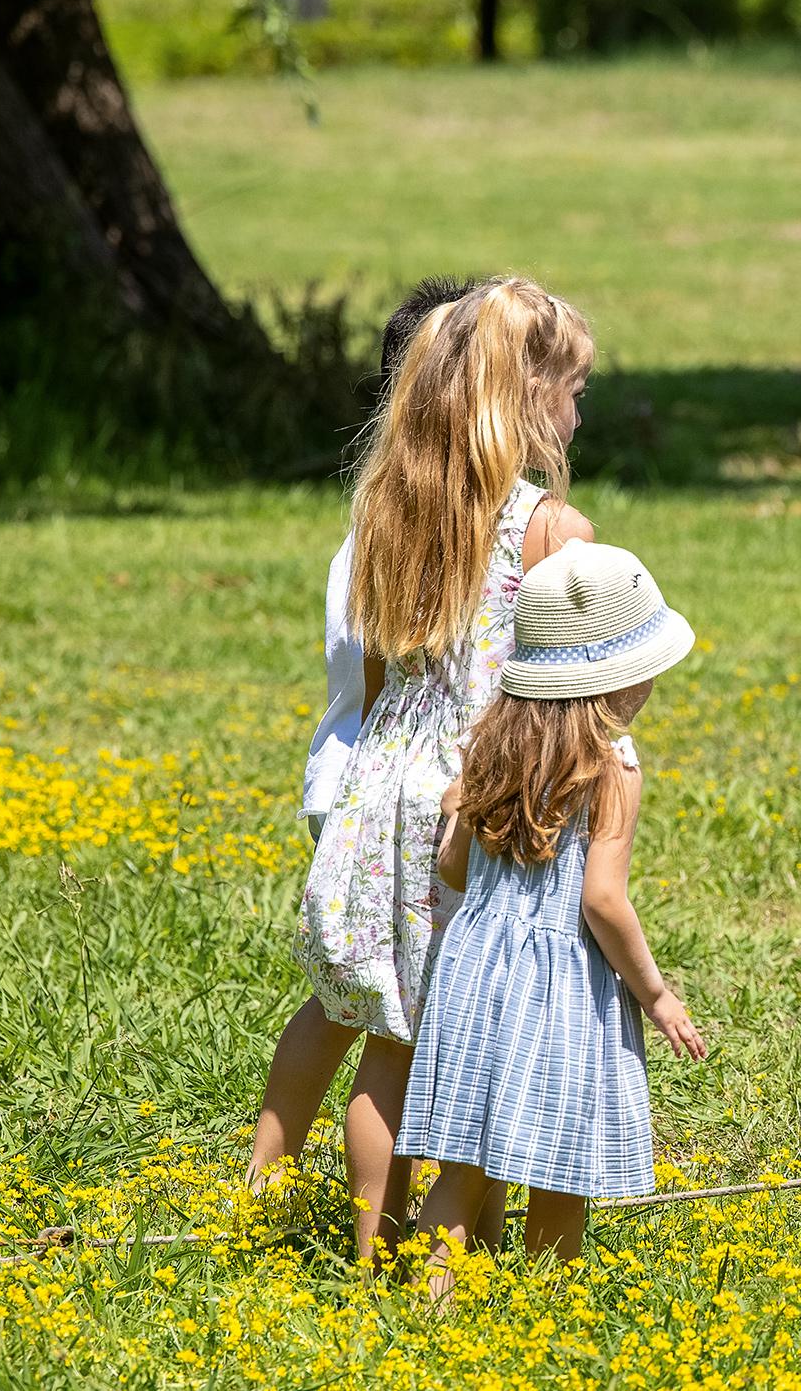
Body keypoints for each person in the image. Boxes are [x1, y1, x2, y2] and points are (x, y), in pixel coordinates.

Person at [295, 276, 597, 1260]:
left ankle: (371, 1256)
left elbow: (379, 668)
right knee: (489, 1047)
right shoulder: (552, 527)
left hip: (389, 789)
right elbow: (570, 686)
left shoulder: (394, 503)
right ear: (528, 393)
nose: (579, 406)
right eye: (572, 385)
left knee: (393, 1042)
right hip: (487, 802)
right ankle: (455, 1266)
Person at [403, 541, 707, 1297]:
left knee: (464, 1161)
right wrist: (657, 994)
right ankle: (549, 1308)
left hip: (473, 968)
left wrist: (456, 823)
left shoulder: (488, 743)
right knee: (561, 1166)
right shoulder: (613, 768)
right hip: (560, 984)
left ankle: (424, 1305)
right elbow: (601, 900)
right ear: (627, 676)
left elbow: (452, 869)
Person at [245, 276, 475, 1193]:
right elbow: (395, 679)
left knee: (342, 1004)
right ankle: (367, 1211)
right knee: (394, 1021)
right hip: (377, 793)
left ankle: (269, 1174)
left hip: (342, 780)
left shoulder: (377, 510)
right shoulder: (411, 525)